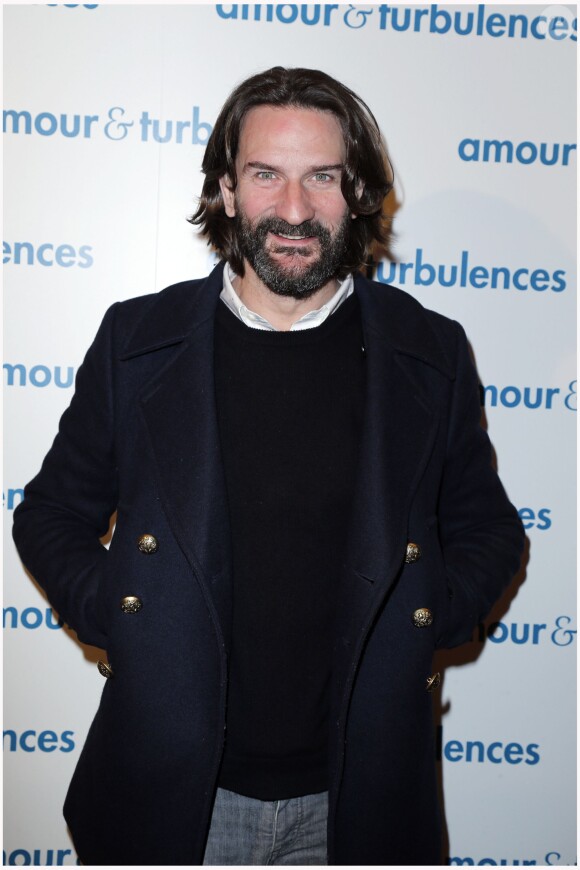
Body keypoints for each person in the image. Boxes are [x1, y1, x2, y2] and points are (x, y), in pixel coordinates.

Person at [13, 66, 524, 866]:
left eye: (322, 177)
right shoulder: (138, 343)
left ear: (358, 193)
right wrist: (116, 613)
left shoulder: (430, 352)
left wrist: (428, 612)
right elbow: (49, 514)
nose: (294, 209)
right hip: (177, 793)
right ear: (226, 189)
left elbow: (488, 528)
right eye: (265, 175)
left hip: (359, 796)